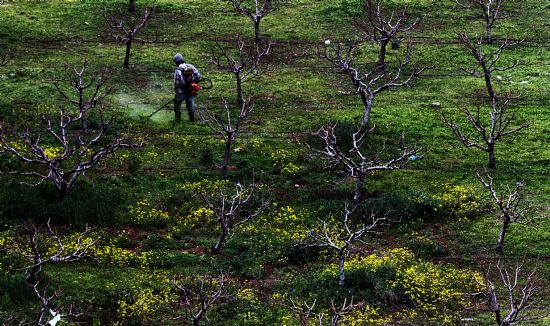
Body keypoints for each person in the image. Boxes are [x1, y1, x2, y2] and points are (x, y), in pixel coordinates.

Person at [173, 53, 201, 122]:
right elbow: (198, 76)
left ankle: (178, 120)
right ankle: (192, 120)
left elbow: (177, 82)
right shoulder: (190, 66)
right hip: (191, 90)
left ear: (176, 62)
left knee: (177, 105)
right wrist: (193, 84)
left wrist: (177, 91)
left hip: (181, 91)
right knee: (190, 106)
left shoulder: (177, 70)